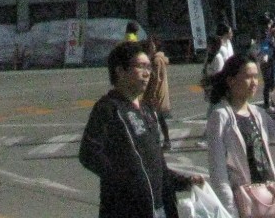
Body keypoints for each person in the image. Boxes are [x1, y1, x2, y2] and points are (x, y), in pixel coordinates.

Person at [77, 39, 203, 218]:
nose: (147, 73)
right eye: (141, 66)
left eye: (149, 67)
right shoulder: (108, 108)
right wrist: (125, 181)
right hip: (126, 209)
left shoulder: (148, 110)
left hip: (160, 208)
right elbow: (88, 154)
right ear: (120, 71)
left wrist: (185, 182)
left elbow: (157, 166)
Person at [205, 54, 275, 218]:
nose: (254, 82)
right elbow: (218, 172)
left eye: (256, 76)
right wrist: (229, 211)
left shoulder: (258, 113)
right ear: (231, 80)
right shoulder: (220, 117)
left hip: (267, 197)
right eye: (248, 77)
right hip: (243, 203)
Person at [146, 37, 174, 152]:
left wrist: (151, 94)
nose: (149, 47)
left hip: (157, 94)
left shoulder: (157, 60)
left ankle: (160, 142)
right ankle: (166, 141)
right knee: (160, 118)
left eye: (152, 46)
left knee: (154, 118)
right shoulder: (159, 58)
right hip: (161, 92)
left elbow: (156, 79)